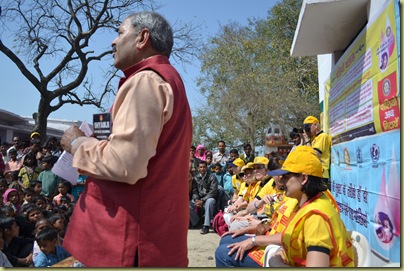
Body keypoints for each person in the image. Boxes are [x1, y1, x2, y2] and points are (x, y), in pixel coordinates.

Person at [59, 11, 192, 267]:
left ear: (143, 38)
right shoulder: (166, 80)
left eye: (120, 33)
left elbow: (125, 164)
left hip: (127, 240)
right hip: (147, 235)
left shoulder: (145, 81)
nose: (112, 42)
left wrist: (77, 144)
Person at [267, 146, 354, 267]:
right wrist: (281, 252)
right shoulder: (307, 205)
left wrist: (276, 264)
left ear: (303, 178)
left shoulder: (316, 217)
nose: (281, 181)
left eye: (286, 176)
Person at [301, 116, 332, 188]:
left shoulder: (322, 136)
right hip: (314, 172)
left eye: (307, 127)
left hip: (321, 173)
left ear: (315, 125)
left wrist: (307, 140)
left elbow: (314, 155)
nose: (307, 130)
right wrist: (303, 140)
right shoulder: (314, 138)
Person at [189, 160, 218, 234]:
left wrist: (203, 200)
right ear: (198, 168)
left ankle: (206, 226)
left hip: (208, 198)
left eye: (204, 167)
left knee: (210, 201)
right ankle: (196, 222)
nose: (202, 169)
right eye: (200, 167)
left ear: (207, 168)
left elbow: (213, 191)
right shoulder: (195, 178)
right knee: (189, 204)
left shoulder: (212, 177)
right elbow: (194, 191)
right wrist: (196, 200)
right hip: (199, 199)